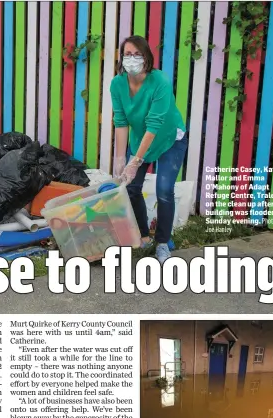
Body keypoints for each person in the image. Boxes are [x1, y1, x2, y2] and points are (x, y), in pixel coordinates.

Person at [110, 35, 188, 264]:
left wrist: (135, 161)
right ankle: (143, 236)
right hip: (139, 140)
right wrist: (119, 158)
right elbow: (121, 121)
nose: (131, 59)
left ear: (147, 58)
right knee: (132, 187)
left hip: (168, 139)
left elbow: (154, 125)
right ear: (121, 57)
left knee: (164, 190)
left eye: (137, 54)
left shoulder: (160, 82)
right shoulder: (117, 84)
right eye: (127, 54)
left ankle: (163, 242)